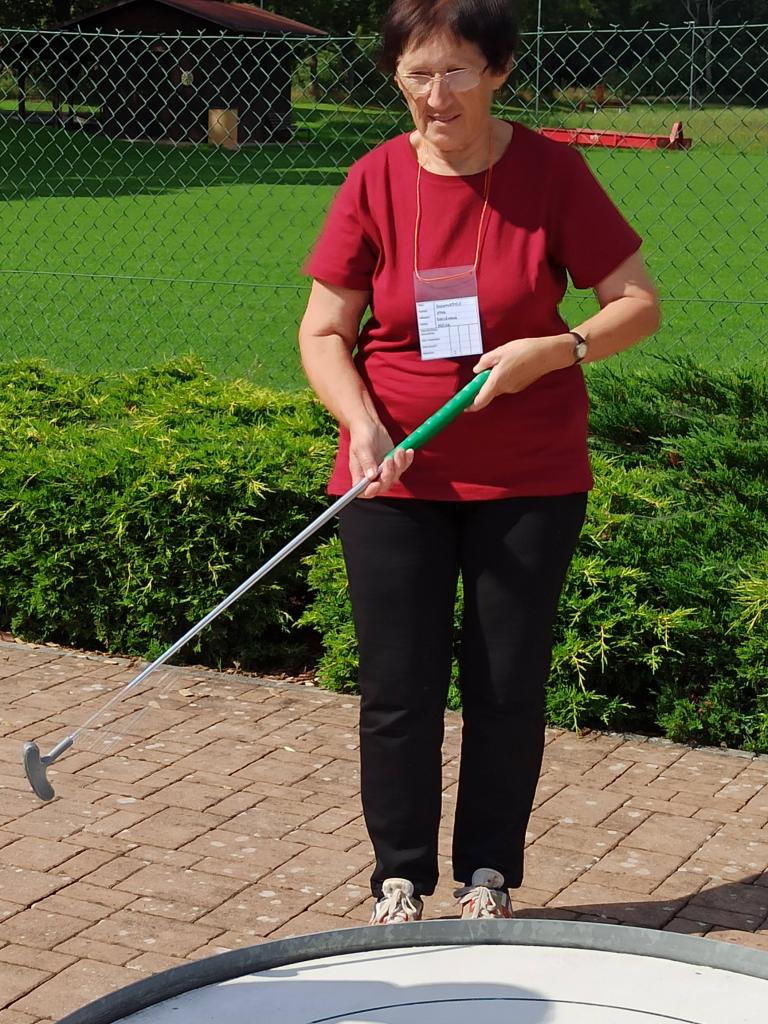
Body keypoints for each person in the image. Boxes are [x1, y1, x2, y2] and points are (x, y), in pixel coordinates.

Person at [299, 0, 660, 924]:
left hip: (529, 479)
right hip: (394, 475)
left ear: (498, 71)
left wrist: (557, 348)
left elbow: (636, 303)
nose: (436, 95)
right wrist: (361, 425)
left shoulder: (553, 173)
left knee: (505, 687)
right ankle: (399, 878)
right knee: (397, 689)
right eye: (416, 75)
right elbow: (324, 330)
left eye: (456, 70)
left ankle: (488, 877)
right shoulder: (374, 178)